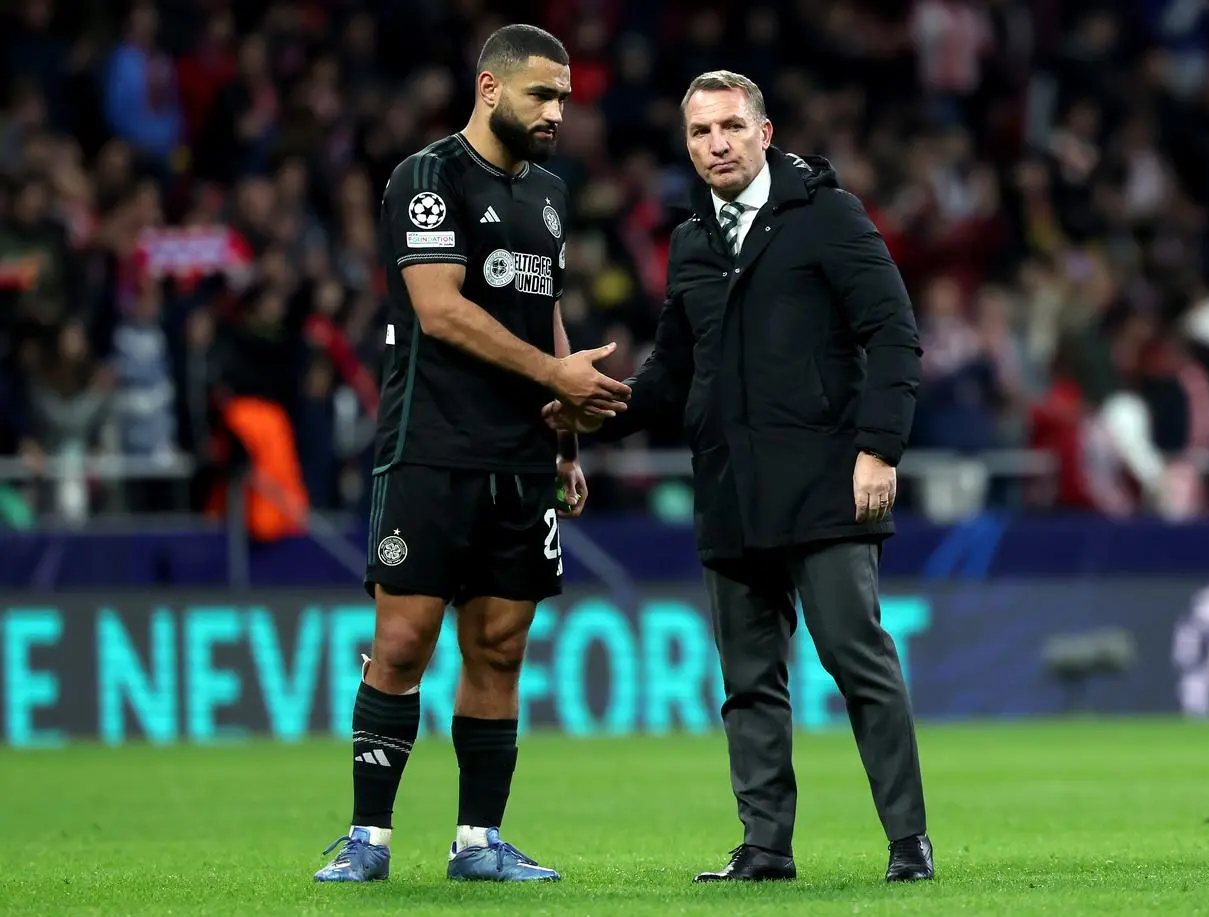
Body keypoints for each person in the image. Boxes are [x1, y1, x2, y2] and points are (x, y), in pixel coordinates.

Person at [544, 71, 934, 884]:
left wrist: (879, 449)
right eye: (698, 134)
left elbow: (894, 331)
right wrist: (592, 412)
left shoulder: (827, 216)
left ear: (764, 132)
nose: (715, 144)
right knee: (749, 684)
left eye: (728, 127)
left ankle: (907, 842)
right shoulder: (692, 243)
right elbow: (673, 373)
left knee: (857, 659)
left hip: (827, 484)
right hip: (729, 489)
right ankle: (765, 847)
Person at [313, 24, 631, 884]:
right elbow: (440, 310)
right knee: (405, 639)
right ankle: (367, 839)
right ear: (491, 89)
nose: (558, 111)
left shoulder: (553, 196)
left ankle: (478, 840)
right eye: (542, 94)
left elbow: (545, 312)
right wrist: (555, 373)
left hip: (521, 460)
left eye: (564, 97)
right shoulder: (427, 178)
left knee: (499, 645)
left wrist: (564, 427)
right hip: (429, 447)